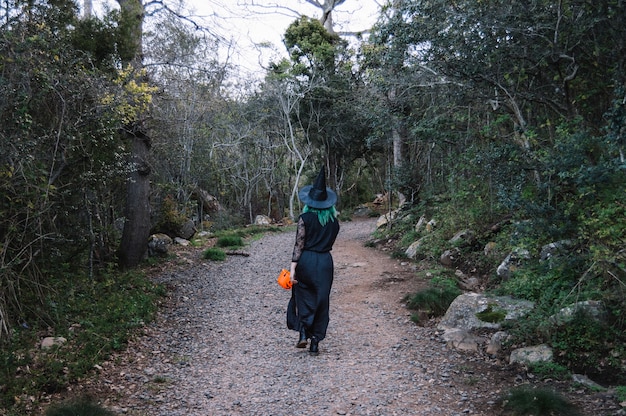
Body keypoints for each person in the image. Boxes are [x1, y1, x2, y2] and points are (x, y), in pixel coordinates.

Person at [288, 166, 340, 355]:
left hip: (306, 261)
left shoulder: (304, 218)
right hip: (325, 262)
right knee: (321, 299)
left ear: (309, 201)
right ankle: (316, 341)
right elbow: (330, 242)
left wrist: (293, 268)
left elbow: (298, 244)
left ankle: (303, 333)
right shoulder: (334, 222)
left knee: (303, 296)